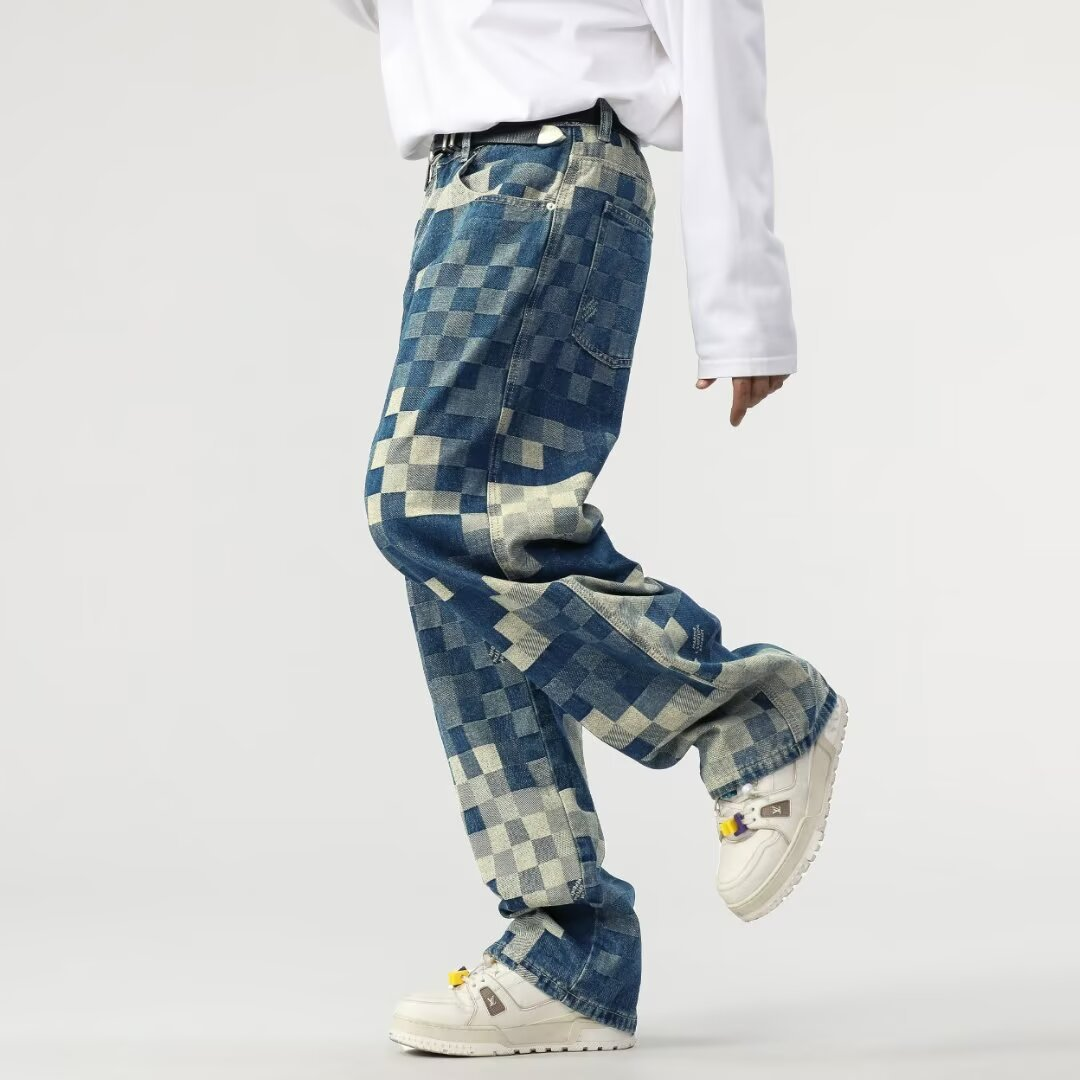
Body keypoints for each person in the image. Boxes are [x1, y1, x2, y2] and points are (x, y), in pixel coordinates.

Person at [332, 0, 847, 1056]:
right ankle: (564, 945)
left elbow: (716, 28)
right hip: (467, 185)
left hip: (545, 172)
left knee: (428, 508)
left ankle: (754, 714)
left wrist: (743, 302)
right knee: (470, 558)